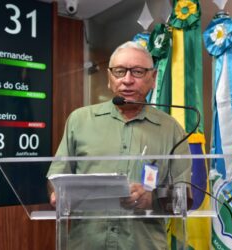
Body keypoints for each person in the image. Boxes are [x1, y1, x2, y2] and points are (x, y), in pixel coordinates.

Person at [47, 41, 191, 250]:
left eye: (138, 72)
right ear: (109, 78)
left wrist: (152, 199)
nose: (127, 80)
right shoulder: (80, 120)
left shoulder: (171, 129)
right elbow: (55, 178)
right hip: (85, 244)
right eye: (119, 71)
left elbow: (184, 197)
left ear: (153, 78)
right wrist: (56, 193)